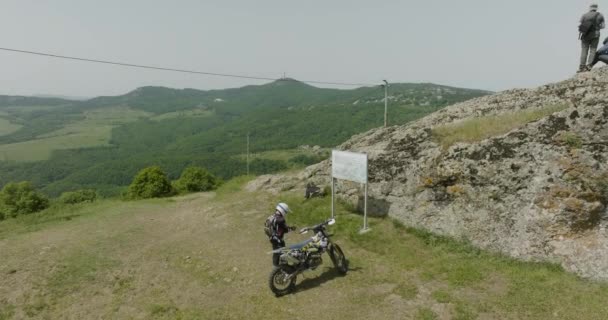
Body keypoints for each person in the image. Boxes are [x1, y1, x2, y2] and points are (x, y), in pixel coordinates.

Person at [579, 4, 606, 72]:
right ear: (596, 8)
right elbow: (603, 26)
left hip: (585, 35)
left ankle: (582, 66)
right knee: (593, 50)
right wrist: (597, 27)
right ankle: (589, 65)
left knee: (584, 50)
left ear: (590, 8)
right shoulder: (600, 15)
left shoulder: (584, 15)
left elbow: (581, 24)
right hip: (595, 35)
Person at [267, 202, 296, 266]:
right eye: (286, 212)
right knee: (283, 253)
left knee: (275, 252)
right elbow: (286, 229)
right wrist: (292, 228)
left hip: (272, 238)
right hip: (279, 240)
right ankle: (283, 268)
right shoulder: (281, 220)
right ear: (283, 211)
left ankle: (275, 265)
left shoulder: (272, 216)